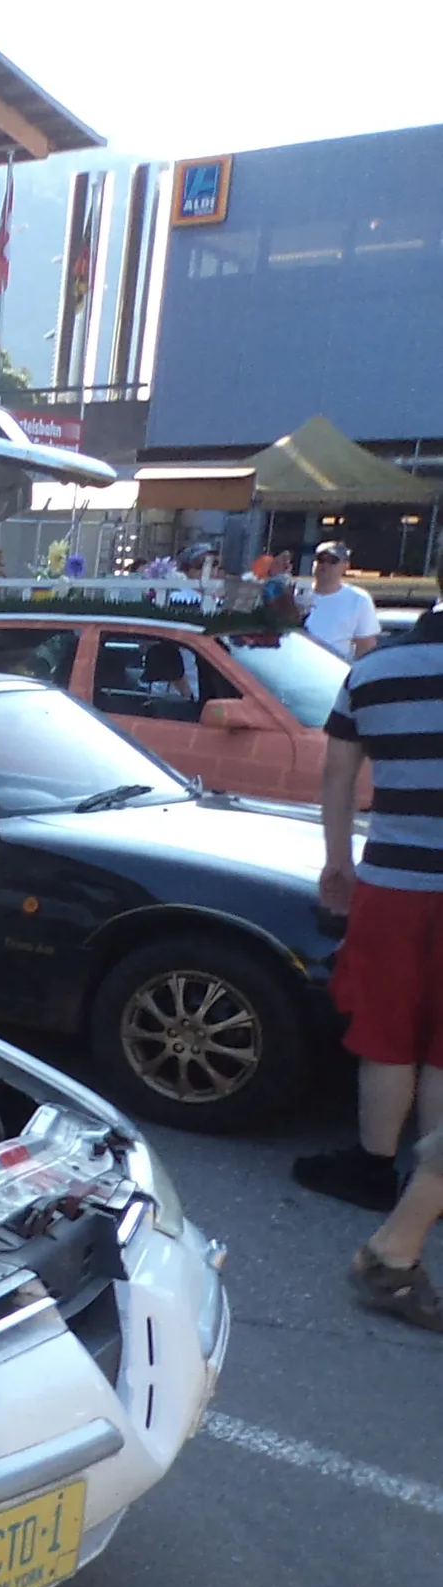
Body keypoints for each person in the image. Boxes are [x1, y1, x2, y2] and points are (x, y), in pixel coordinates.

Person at [295, 595, 443, 1331]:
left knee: (385, 1030)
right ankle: (430, 1183)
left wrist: (337, 865)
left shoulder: (376, 670)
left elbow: (337, 777)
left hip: (392, 880)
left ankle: (371, 1166)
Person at [301, 541, 380, 661]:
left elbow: (366, 645)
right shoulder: (296, 593)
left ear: (346, 565)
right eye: (321, 559)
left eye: (332, 561)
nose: (324, 565)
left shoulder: (358, 599)